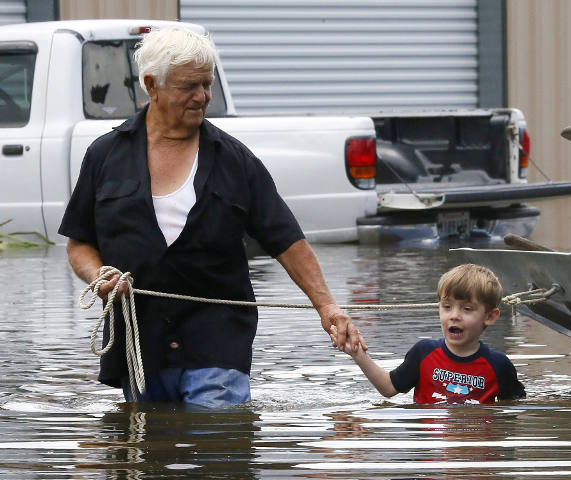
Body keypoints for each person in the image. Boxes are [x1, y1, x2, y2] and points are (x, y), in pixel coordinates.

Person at [59, 27, 365, 408]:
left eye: (207, 84)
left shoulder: (235, 161)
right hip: (140, 340)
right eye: (190, 86)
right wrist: (99, 277)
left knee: (219, 441)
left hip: (218, 338)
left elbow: (286, 241)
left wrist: (327, 306)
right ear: (152, 85)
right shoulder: (104, 155)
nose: (202, 96)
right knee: (150, 452)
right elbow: (79, 243)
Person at [336, 264, 525, 404]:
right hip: (431, 453)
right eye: (447, 307)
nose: (454, 316)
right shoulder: (424, 352)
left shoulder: (499, 365)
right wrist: (358, 354)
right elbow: (388, 388)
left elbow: (514, 406)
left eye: (467, 309)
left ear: (490, 316)